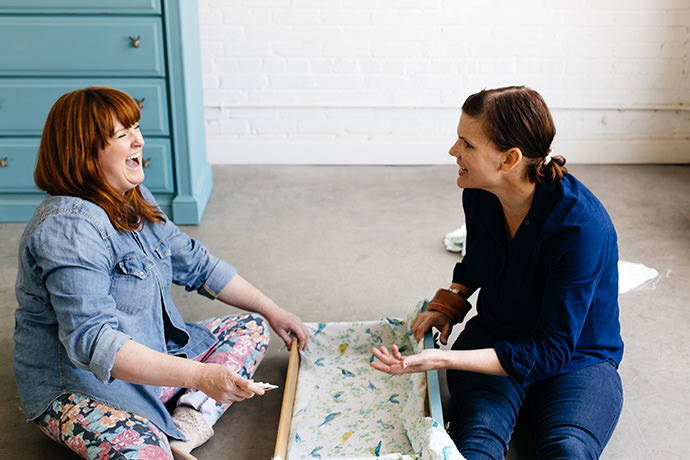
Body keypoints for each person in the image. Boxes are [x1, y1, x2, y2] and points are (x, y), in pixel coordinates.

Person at [13, 87, 309, 460]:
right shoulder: (67, 229)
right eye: (122, 135)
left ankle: (182, 428)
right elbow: (95, 342)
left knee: (250, 326)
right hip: (86, 388)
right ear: (85, 152)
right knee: (147, 454)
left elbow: (196, 264)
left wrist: (273, 310)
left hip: (152, 359)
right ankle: (156, 431)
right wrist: (199, 377)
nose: (138, 139)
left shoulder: (132, 196)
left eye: (135, 127)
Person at [370, 86, 624, 460]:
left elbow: (552, 351)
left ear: (510, 159)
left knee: (567, 449)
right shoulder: (479, 191)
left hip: (576, 357)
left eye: (467, 144)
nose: (454, 151)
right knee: (477, 445)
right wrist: (453, 300)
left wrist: (443, 360)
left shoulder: (580, 227)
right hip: (496, 336)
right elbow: (481, 256)